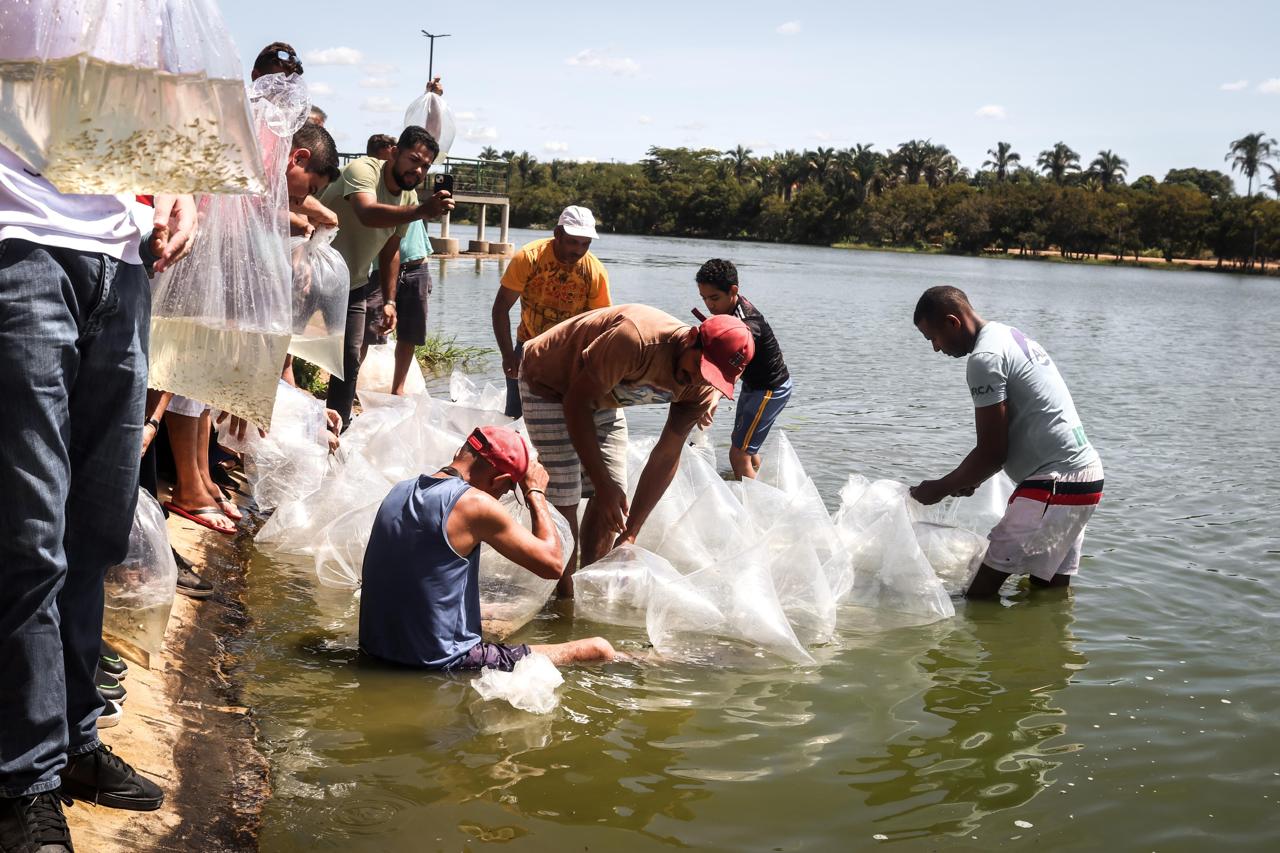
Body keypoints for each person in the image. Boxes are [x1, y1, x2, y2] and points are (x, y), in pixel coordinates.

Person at [0, 144, 196, 848]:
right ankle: (23, 777)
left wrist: (176, 185)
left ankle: (74, 737)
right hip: (20, 238)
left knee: (97, 530)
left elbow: (159, 108)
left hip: (122, 256)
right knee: (30, 538)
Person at [519, 304, 755, 594]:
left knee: (614, 499)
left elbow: (667, 453)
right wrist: (602, 484)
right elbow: (575, 403)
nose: (697, 379)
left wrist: (631, 533)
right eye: (699, 367)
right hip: (549, 381)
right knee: (565, 493)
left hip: (604, 394)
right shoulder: (635, 339)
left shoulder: (703, 388)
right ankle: (565, 598)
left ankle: (589, 586)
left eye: (711, 377)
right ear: (692, 338)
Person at [359, 426, 615, 670]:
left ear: (459, 453)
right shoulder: (475, 504)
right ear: (498, 480)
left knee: (496, 615)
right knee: (598, 649)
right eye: (505, 491)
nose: (501, 498)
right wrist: (535, 492)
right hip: (441, 662)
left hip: (376, 651)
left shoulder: (400, 489)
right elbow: (553, 564)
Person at [908, 286, 1104, 598]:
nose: (935, 348)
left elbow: (992, 453)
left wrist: (938, 488)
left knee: (979, 594)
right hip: (1084, 478)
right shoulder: (1007, 334)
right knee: (1047, 593)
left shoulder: (984, 359)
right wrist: (971, 479)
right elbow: (1007, 439)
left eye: (934, 337)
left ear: (952, 322)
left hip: (1055, 483)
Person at [319, 125, 455, 427]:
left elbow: (391, 248)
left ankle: (337, 428)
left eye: (425, 166)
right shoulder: (363, 169)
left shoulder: (408, 196)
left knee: (349, 358)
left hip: (353, 283)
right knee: (289, 348)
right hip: (312, 272)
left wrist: (390, 301)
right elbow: (367, 213)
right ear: (394, 153)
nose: (418, 170)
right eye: (413, 160)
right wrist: (421, 211)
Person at [491, 205, 611, 418]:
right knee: (515, 417)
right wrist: (508, 355)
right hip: (528, 346)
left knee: (567, 420)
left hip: (570, 353)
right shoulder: (529, 258)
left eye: (585, 244)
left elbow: (600, 326)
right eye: (573, 242)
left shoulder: (595, 271)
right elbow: (501, 308)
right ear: (557, 234)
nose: (578, 250)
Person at [694, 258, 792, 480]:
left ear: (733, 291)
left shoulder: (747, 325)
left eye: (714, 298)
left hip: (771, 390)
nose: (709, 305)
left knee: (738, 455)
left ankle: (755, 501)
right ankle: (762, 485)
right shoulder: (730, 309)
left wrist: (713, 398)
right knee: (744, 445)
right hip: (754, 385)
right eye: (704, 298)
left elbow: (733, 367)